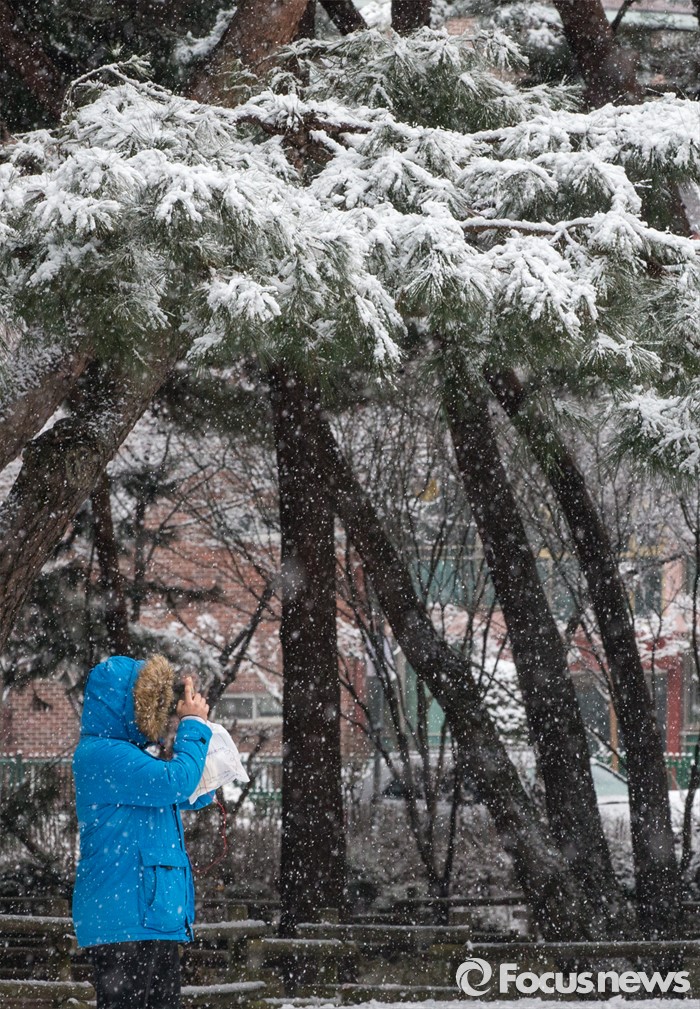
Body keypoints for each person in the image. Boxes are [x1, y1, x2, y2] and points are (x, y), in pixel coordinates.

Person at [72, 654, 213, 1009]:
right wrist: (193, 725)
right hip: (126, 918)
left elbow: (182, 792)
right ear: (124, 703)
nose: (153, 712)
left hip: (148, 914)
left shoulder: (128, 756)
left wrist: (205, 767)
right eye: (147, 701)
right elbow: (174, 782)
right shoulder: (102, 755)